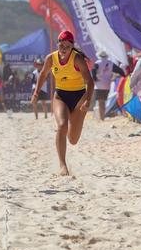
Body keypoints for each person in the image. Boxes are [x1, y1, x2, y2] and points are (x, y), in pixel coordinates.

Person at [32, 30, 94, 176]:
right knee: (61, 125)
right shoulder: (51, 58)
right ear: (58, 44)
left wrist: (88, 101)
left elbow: (90, 81)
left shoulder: (77, 58)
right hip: (60, 95)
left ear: (72, 46)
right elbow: (43, 74)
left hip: (79, 97)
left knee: (73, 139)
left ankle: (73, 123)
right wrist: (36, 93)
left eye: (67, 46)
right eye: (61, 45)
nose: (63, 49)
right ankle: (62, 165)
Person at [91, 51, 125, 121]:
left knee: (100, 102)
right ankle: (102, 116)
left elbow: (93, 71)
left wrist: (95, 79)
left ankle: (101, 118)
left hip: (99, 84)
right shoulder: (110, 63)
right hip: (107, 84)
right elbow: (120, 71)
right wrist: (123, 76)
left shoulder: (97, 63)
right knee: (104, 101)